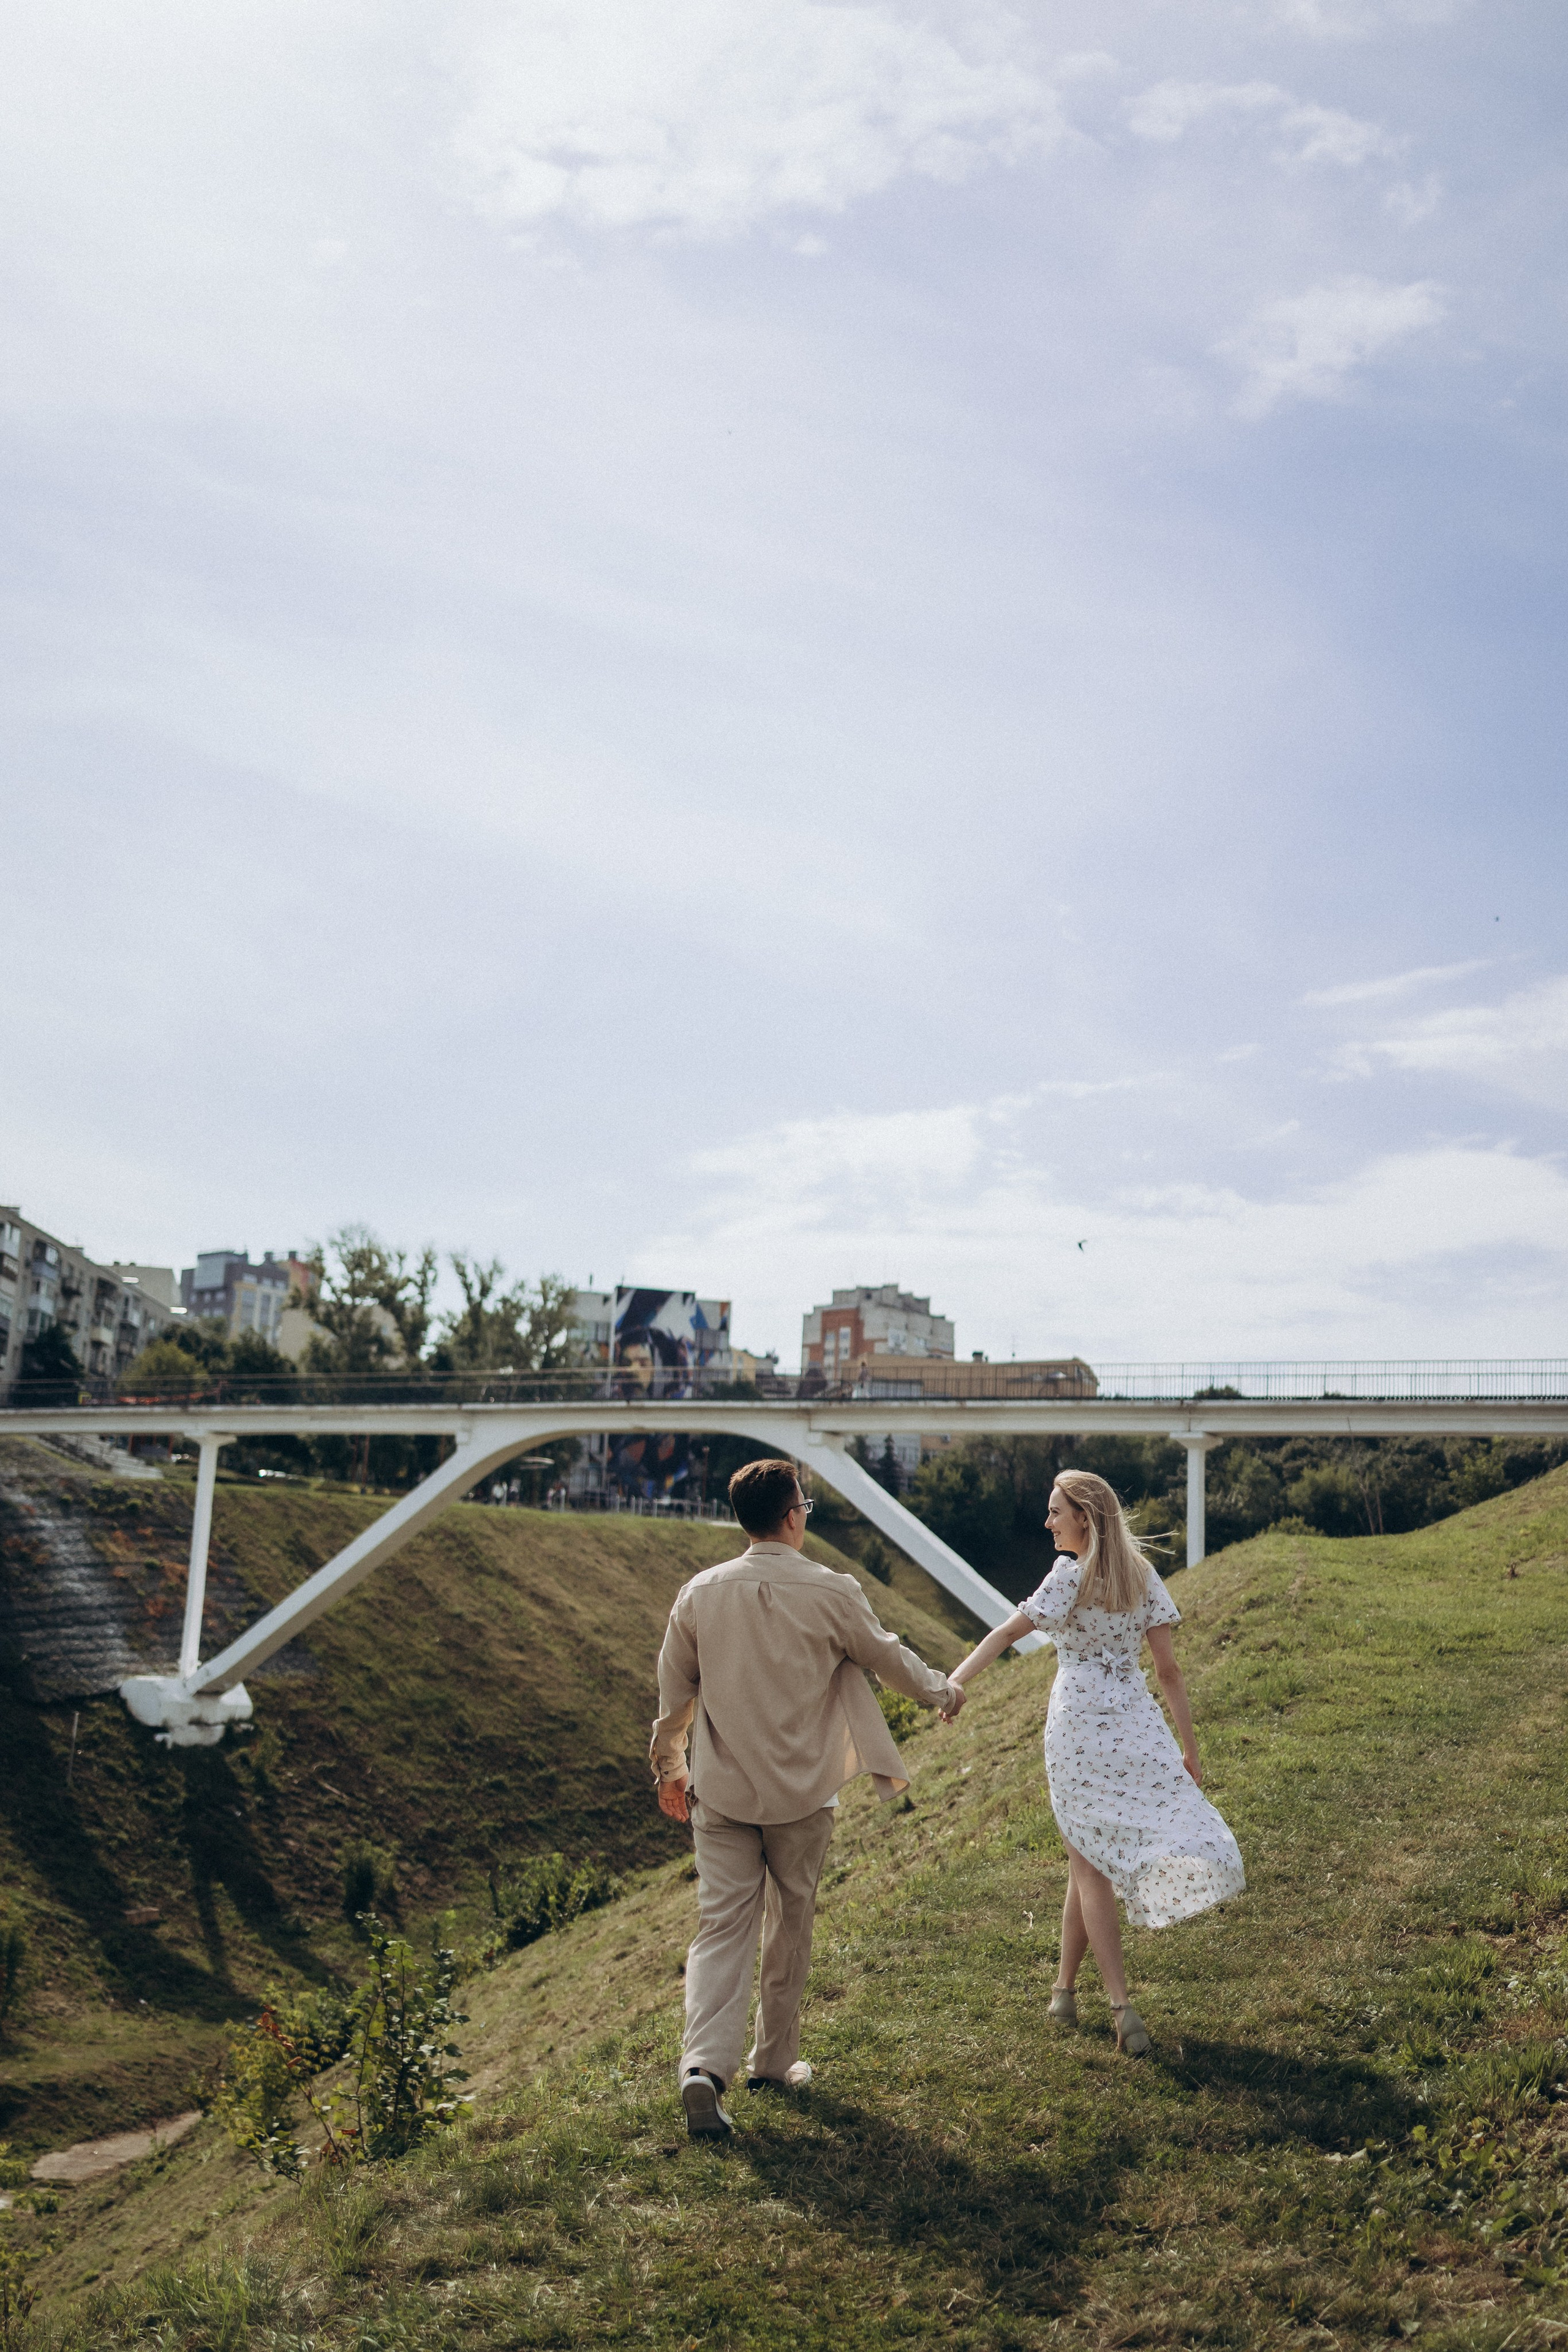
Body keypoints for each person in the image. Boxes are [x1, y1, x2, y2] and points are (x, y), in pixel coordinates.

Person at [650, 1457, 965, 2138]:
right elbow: (887, 1657)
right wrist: (944, 1692)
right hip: (802, 1794)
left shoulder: (698, 1594)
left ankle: (704, 2068)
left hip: (723, 1796)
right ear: (792, 1516)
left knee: (720, 1929)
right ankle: (773, 2061)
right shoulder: (832, 1591)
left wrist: (669, 1771)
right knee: (790, 1924)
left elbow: (673, 1701)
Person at [948, 1468, 1243, 2057]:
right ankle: (1062, 1992)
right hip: (1136, 1723)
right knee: (1086, 1855)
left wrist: (954, 1683)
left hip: (1080, 1727)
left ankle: (1121, 2007)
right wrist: (1189, 1748)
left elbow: (1008, 1635)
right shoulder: (1142, 1576)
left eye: (1057, 1511)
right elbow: (1169, 1672)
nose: (1049, 1521)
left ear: (1085, 1516)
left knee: (1088, 1866)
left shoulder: (1067, 1577)